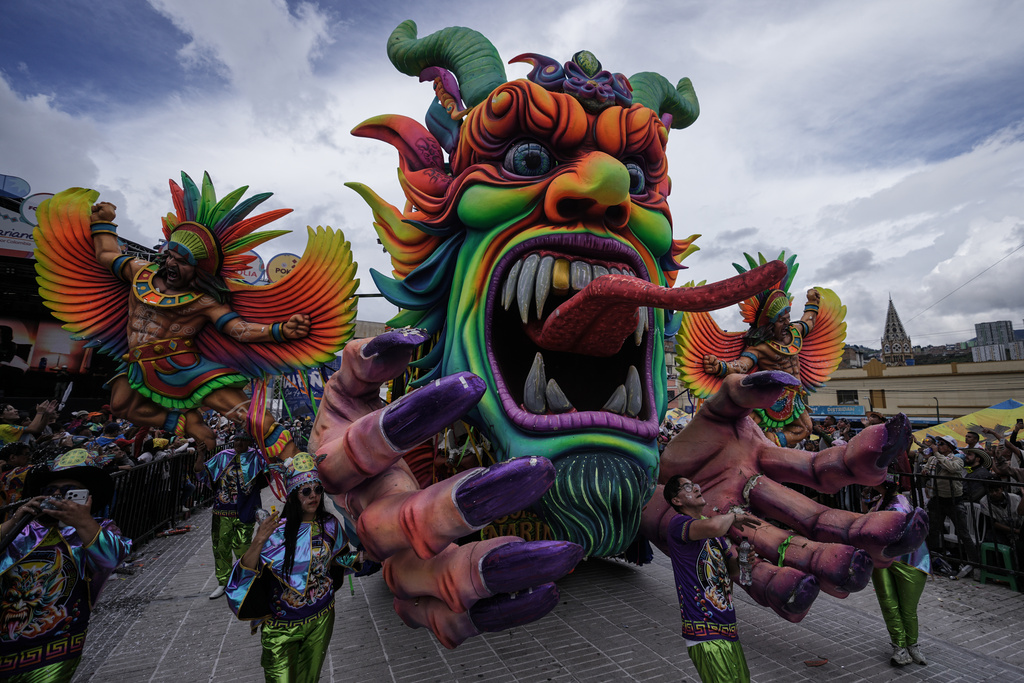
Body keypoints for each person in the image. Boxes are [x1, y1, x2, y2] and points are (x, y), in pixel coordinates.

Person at [226, 453, 362, 682]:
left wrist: (363, 558)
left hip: (321, 619)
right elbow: (245, 574)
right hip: (281, 628)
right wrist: (259, 541)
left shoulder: (330, 525)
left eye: (317, 490)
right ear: (292, 496)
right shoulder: (276, 531)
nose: (314, 496)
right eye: (306, 491)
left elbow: (336, 563)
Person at [0, 448, 131, 680]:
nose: (58, 496)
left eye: (69, 492)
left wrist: (82, 520)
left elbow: (112, 558)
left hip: (53, 644)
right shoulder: (25, 527)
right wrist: (15, 520)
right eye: (50, 491)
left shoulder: (98, 528)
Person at [663, 474, 759, 683]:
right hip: (703, 628)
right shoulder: (679, 524)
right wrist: (735, 516)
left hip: (727, 625)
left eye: (696, 485)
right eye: (688, 487)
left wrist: (744, 562)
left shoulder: (712, 530)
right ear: (676, 501)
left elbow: (731, 570)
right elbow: (716, 526)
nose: (696, 488)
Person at [701, 289, 823, 447]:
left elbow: (809, 322)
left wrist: (812, 303)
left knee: (804, 429)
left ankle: (767, 447)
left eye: (788, 318)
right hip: (769, 397)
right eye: (781, 321)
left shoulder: (795, 332)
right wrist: (720, 367)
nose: (787, 323)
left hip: (794, 396)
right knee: (744, 427)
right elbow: (742, 366)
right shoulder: (760, 348)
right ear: (770, 325)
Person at [868, 473, 930, 667]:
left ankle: (912, 645)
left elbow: (890, 531)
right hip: (882, 558)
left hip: (909, 561)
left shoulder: (899, 504)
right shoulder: (880, 501)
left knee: (907, 608)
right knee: (888, 604)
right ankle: (899, 647)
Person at [202, 431, 267, 599]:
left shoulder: (256, 456)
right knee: (221, 547)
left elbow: (267, 477)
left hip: (245, 510)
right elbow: (202, 473)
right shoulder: (223, 456)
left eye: (243, 440)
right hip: (222, 510)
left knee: (243, 546)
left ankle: (246, 581)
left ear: (249, 443)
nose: (239, 443)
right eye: (236, 439)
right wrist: (200, 454)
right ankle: (223, 582)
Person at [922, 435, 976, 578]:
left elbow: (951, 468)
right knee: (933, 531)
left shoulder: (958, 459)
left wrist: (937, 454)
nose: (938, 445)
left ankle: (976, 563)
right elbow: (927, 468)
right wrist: (925, 471)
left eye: (942, 444)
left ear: (950, 447)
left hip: (954, 501)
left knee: (963, 533)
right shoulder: (934, 459)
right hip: (937, 499)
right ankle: (933, 559)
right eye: (938, 443)